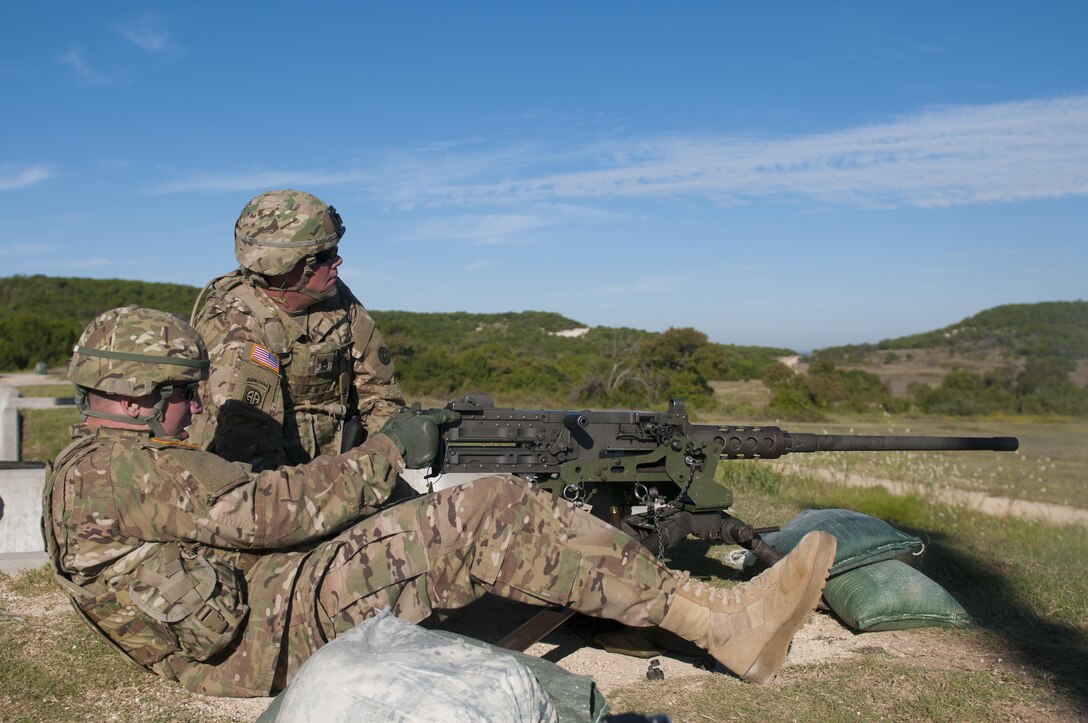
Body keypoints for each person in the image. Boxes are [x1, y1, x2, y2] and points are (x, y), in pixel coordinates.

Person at [44, 306, 836, 697]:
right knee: (489, 510)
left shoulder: (82, 469)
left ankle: (689, 604)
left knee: (443, 520)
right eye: (183, 394)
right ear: (141, 395)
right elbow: (271, 511)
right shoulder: (133, 470)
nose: (194, 408)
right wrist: (390, 452)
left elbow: (240, 522)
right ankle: (726, 625)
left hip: (251, 615)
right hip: (270, 635)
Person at [187, 189, 404, 471]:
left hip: (342, 477)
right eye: (324, 255)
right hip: (270, 492)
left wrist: (376, 466)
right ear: (284, 265)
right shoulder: (232, 325)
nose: (337, 261)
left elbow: (381, 398)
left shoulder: (339, 302)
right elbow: (252, 456)